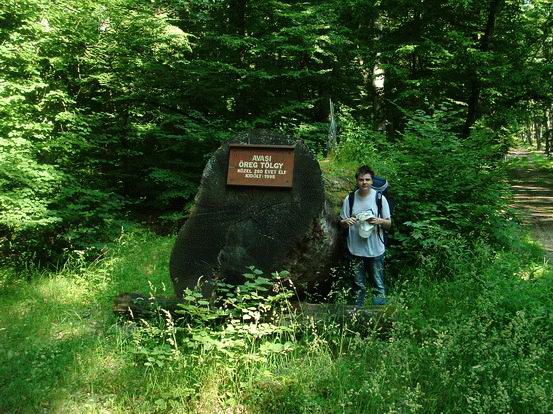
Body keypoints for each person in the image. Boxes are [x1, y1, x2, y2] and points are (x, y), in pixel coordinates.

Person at [340, 166, 391, 307]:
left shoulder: (380, 198)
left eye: (367, 180)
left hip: (375, 249)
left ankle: (379, 318)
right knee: (357, 285)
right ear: (357, 181)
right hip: (355, 249)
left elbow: (389, 224)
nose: (364, 183)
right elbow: (342, 223)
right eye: (361, 179)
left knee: (378, 285)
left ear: (372, 181)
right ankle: (357, 316)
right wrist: (346, 222)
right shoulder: (350, 199)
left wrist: (378, 220)